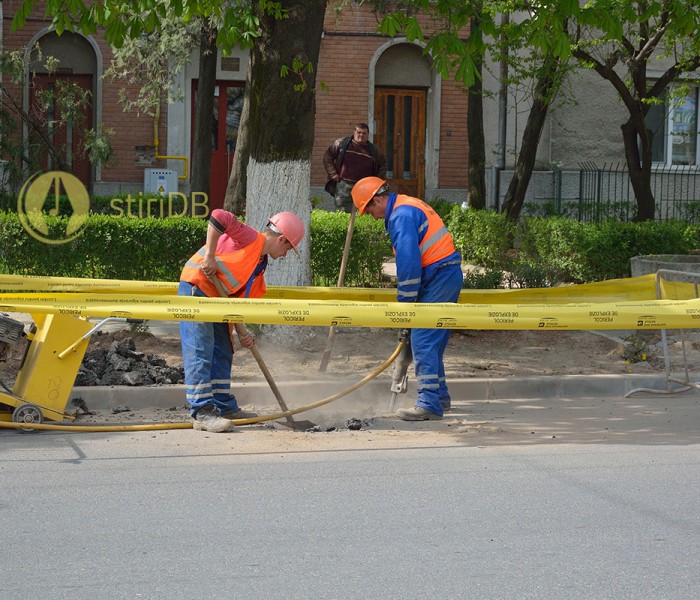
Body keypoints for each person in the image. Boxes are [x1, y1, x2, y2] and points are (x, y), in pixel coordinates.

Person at [179, 209, 305, 432]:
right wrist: (209, 256)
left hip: (217, 299)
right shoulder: (250, 238)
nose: (286, 254)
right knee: (201, 349)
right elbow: (219, 216)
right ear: (282, 239)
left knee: (223, 350)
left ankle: (224, 406)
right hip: (197, 287)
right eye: (288, 248)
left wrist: (243, 332)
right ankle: (202, 413)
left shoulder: (259, 265)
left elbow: (237, 301)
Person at [351, 177, 463, 421]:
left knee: (423, 338)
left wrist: (405, 308)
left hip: (439, 276)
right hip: (442, 275)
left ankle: (429, 403)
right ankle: (439, 395)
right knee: (433, 340)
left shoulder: (400, 216)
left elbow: (409, 265)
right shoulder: (406, 205)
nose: (371, 215)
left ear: (378, 199)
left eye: (369, 209)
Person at [323, 123, 387, 213]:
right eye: (359, 132)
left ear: (368, 135)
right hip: (344, 185)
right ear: (354, 132)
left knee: (363, 212)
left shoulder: (375, 150)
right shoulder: (341, 144)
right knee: (342, 213)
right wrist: (333, 174)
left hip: (364, 188)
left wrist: (375, 182)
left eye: (364, 133)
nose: (361, 135)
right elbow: (328, 156)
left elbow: (383, 165)